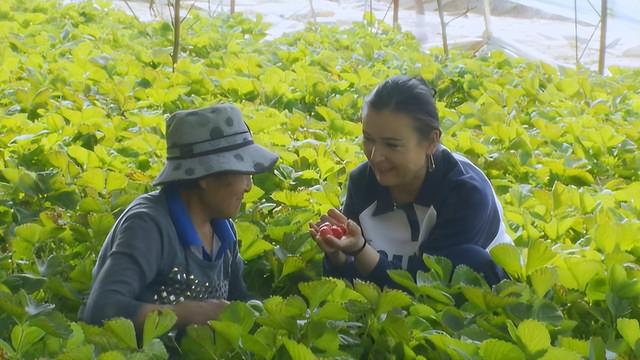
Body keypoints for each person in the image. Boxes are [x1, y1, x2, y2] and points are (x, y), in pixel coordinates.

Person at [81, 104, 279, 331]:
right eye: (242, 173)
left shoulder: (224, 231)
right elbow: (102, 310)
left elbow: (238, 299)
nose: (248, 185)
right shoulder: (147, 226)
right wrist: (184, 313)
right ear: (205, 175)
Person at [309, 75, 512, 287]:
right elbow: (351, 280)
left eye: (392, 145)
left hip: (472, 298)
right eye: (368, 139)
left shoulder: (465, 193)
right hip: (394, 301)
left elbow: (423, 287)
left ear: (431, 142)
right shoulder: (362, 182)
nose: (376, 156)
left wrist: (361, 250)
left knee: (471, 260)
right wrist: (338, 256)